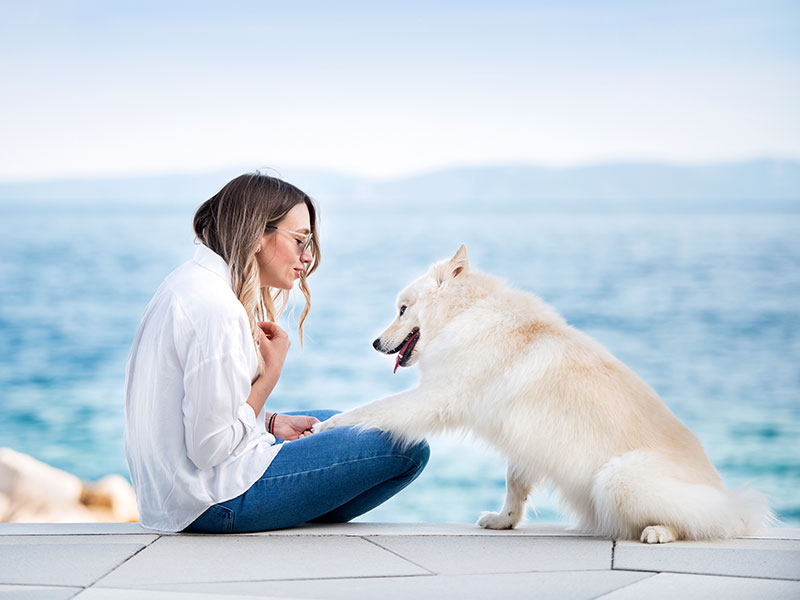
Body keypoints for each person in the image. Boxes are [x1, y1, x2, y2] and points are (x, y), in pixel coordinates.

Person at [124, 173, 429, 533]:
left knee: (342, 421)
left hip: (176, 491)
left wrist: (269, 422)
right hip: (211, 501)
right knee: (406, 445)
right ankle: (288, 514)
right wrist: (269, 376)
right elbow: (209, 448)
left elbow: (197, 414)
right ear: (256, 233)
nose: (308, 256)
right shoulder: (216, 308)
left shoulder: (188, 281)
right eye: (300, 240)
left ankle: (290, 504)